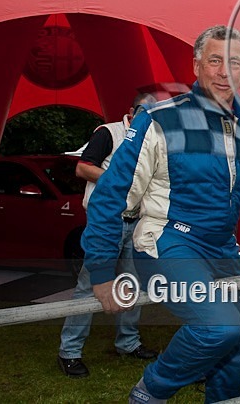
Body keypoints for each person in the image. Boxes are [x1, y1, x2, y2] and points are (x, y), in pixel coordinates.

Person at [82, 26, 240, 403]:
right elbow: (110, 195)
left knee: (233, 360)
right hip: (167, 241)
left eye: (233, 62)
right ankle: (149, 392)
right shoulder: (160, 118)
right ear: (197, 65)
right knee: (219, 329)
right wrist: (102, 270)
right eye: (215, 61)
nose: (223, 71)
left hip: (221, 250)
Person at [57, 93, 159, 378]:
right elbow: (81, 167)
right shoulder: (109, 132)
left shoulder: (151, 141)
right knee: (89, 285)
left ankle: (128, 343)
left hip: (135, 221)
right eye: (145, 111)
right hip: (106, 221)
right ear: (131, 110)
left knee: (132, 286)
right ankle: (70, 352)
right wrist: (115, 180)